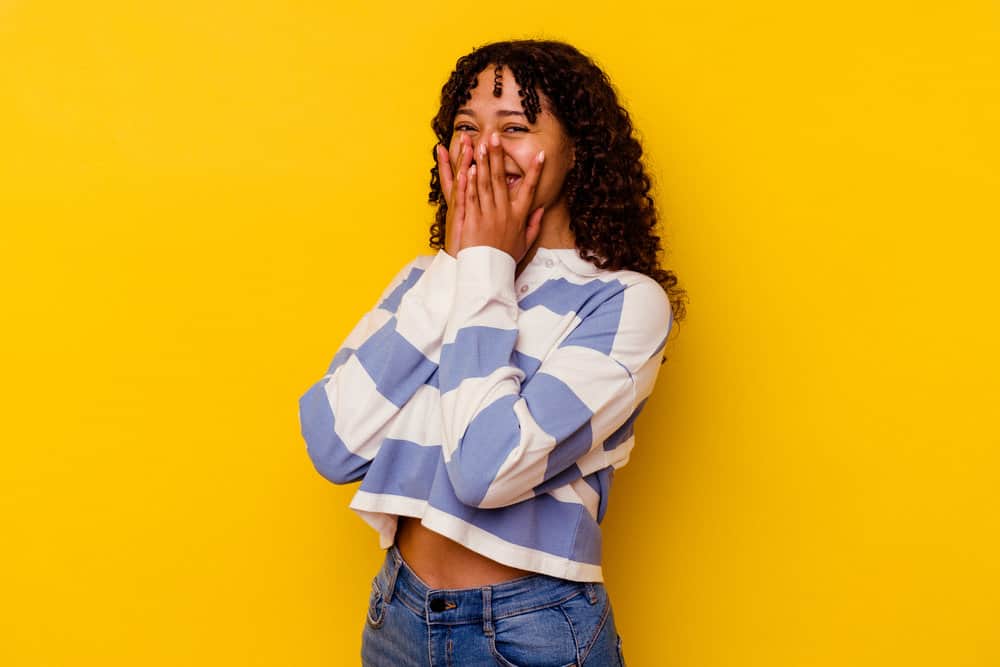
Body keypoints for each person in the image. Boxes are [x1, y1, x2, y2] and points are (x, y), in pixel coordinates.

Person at [298, 38, 687, 666]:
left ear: (578, 150)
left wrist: (482, 263)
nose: (486, 148)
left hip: (533, 633)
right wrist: (462, 263)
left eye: (516, 126)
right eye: (467, 127)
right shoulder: (430, 279)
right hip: (398, 618)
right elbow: (332, 442)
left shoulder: (623, 303)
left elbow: (486, 469)